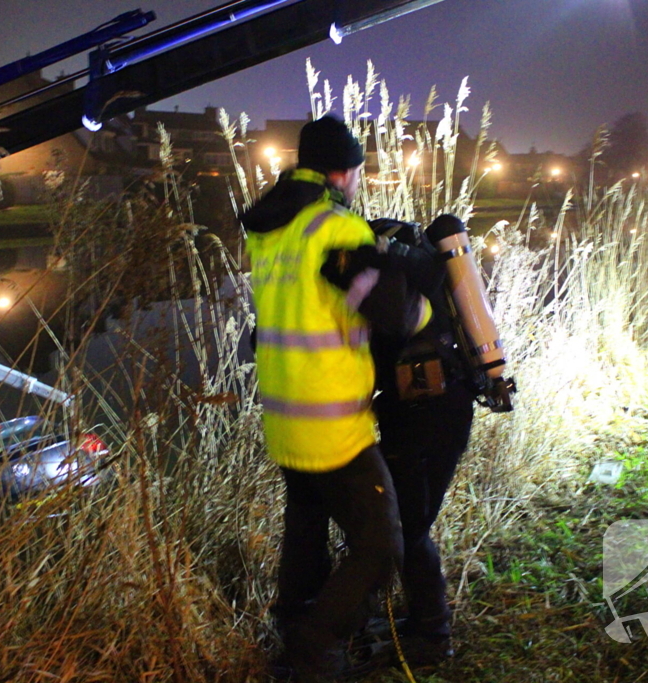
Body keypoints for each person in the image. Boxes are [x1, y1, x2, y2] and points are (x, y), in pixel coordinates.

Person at [240, 116, 428, 681]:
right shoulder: (338, 229)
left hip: (282, 415)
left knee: (306, 531)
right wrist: (417, 277)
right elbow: (399, 318)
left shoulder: (268, 229)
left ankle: (292, 627)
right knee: (382, 544)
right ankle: (315, 650)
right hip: (332, 424)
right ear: (344, 172)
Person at [323, 215, 478, 664]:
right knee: (414, 524)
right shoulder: (424, 267)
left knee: (409, 527)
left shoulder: (383, 279)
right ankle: (425, 625)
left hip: (418, 413)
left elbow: (386, 323)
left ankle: (433, 637)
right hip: (451, 405)